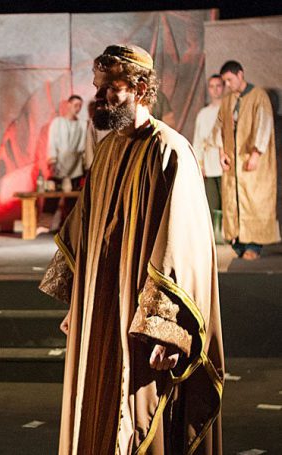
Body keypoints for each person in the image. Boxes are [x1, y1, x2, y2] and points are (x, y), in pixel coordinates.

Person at [39, 44, 223, 454]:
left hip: (141, 319)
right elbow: (86, 229)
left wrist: (169, 332)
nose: (102, 98)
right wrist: (78, 303)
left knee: (140, 417)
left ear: (140, 89)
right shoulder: (107, 150)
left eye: (113, 89)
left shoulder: (170, 150)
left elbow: (181, 245)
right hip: (102, 308)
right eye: (99, 89)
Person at [216, 60, 280, 260]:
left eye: (230, 80)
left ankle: (254, 245)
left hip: (250, 160)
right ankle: (239, 243)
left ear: (240, 74)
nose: (227, 85)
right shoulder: (228, 100)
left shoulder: (258, 96)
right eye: (225, 81)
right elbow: (219, 126)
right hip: (233, 161)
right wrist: (221, 152)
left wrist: (256, 153)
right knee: (234, 201)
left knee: (253, 200)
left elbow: (264, 125)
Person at [36, 95, 85, 235]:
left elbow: (82, 147)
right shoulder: (58, 122)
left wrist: (83, 164)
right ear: (68, 105)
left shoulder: (82, 125)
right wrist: (53, 161)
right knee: (52, 197)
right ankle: (44, 225)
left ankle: (67, 228)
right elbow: (52, 143)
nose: (78, 108)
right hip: (59, 165)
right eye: (75, 105)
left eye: (80, 106)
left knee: (72, 200)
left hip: (75, 166)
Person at [193, 74, 225, 234]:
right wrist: (200, 163)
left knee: (227, 200)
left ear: (223, 87)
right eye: (212, 86)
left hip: (224, 161)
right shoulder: (203, 113)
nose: (215, 90)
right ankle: (214, 234)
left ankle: (228, 234)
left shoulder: (228, 109)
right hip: (209, 161)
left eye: (218, 86)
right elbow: (198, 140)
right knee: (212, 201)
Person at [83, 99, 110, 172]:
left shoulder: (120, 121)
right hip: (100, 164)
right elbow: (90, 145)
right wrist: (90, 167)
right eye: (99, 106)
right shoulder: (94, 122)